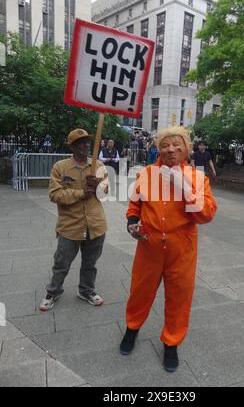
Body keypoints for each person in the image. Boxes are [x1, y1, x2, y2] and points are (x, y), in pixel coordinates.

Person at [120, 126, 217, 372]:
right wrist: (132, 223)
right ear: (158, 148)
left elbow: (206, 215)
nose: (171, 149)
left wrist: (183, 187)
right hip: (149, 248)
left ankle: (171, 343)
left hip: (182, 250)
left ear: (187, 149)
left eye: (177, 145)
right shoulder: (146, 174)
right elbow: (135, 205)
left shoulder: (198, 178)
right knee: (139, 291)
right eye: (165, 144)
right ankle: (132, 328)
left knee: (179, 298)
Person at [40, 129, 109, 312]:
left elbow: (105, 193)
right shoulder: (60, 167)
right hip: (70, 225)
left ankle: (86, 291)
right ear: (72, 146)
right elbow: (54, 194)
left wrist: (98, 188)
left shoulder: (99, 166)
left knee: (90, 263)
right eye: (81, 143)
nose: (86, 145)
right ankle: (53, 291)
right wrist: (80, 193)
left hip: (95, 225)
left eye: (87, 142)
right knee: (61, 262)